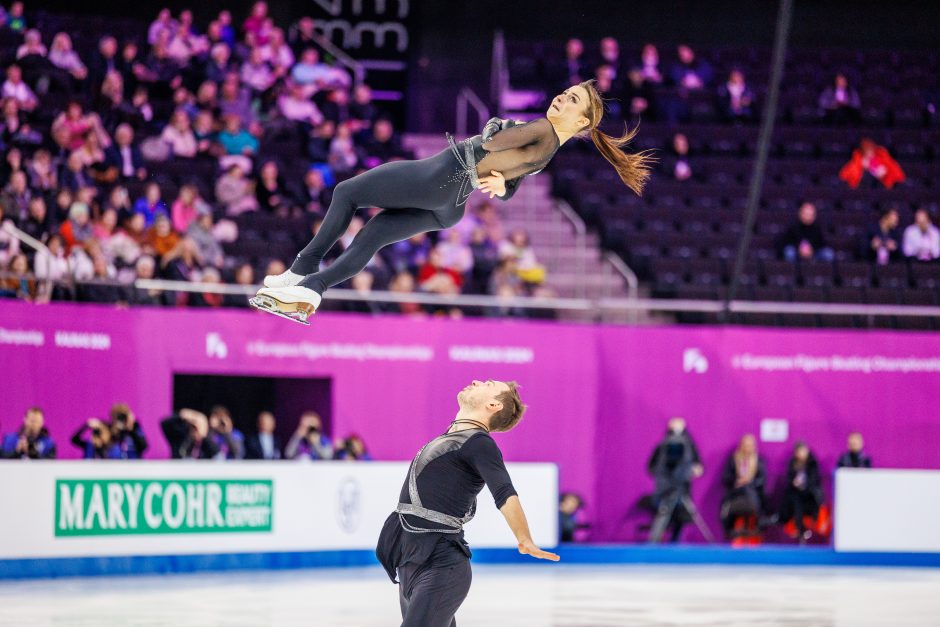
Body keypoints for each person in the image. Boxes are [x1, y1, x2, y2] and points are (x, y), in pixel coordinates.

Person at [254, 80, 653, 323]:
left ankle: (301, 269)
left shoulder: (542, 129)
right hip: (450, 207)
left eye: (571, 102)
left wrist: (501, 124)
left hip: (443, 175)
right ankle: (313, 290)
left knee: (346, 192)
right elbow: (509, 179)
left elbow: (491, 141)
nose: (561, 101)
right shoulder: (549, 151)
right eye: (564, 94)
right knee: (372, 236)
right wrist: (502, 187)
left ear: (582, 122)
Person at [375, 380, 558, 627]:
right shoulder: (454, 436)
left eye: (488, 383)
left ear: (493, 404)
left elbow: (504, 491)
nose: (476, 382)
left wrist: (524, 538)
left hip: (441, 565)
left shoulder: (479, 442)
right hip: (412, 559)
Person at [646, 417, 704, 543]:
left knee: (682, 515)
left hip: (683, 487)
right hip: (666, 488)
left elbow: (698, 464)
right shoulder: (663, 445)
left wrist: (693, 470)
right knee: (665, 513)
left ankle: (675, 542)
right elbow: (651, 466)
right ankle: (653, 544)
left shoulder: (689, 445)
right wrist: (662, 475)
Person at [719, 434, 768, 539]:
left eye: (750, 445)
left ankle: (755, 527)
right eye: (745, 445)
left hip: (754, 494)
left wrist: (749, 482)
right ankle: (730, 531)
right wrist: (736, 481)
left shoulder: (759, 460)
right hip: (735, 494)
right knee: (725, 507)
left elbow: (762, 479)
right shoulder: (733, 459)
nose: (747, 448)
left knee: (748, 490)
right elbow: (726, 477)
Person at [778, 442, 824, 541]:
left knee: (801, 500)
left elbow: (814, 480)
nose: (801, 454)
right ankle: (799, 528)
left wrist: (804, 485)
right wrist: (794, 483)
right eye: (799, 451)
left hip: (810, 495)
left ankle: (804, 528)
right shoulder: (792, 463)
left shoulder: (813, 463)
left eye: (803, 451)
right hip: (796, 494)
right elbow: (789, 479)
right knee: (795, 500)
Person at [839, 139, 905, 190]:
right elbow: (845, 178)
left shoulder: (883, 159)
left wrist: (882, 174)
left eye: (871, 150)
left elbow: (897, 177)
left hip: (881, 191)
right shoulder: (855, 163)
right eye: (866, 150)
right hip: (861, 192)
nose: (869, 154)